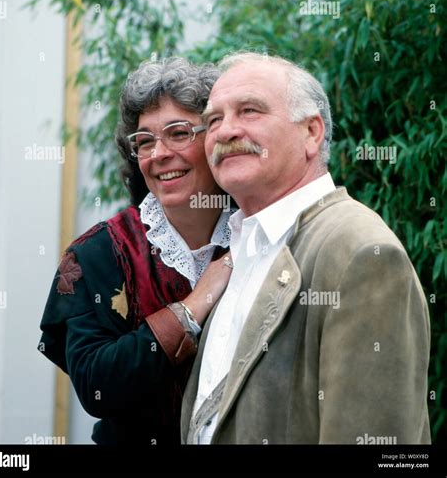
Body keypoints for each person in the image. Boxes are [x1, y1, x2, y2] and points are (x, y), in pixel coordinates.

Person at [181, 52, 431, 444]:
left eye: (249, 111)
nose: (225, 131)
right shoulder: (240, 251)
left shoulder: (361, 252)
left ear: (312, 133)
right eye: (213, 119)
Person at [38, 57, 235, 445]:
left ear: (215, 139)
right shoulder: (96, 253)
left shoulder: (262, 236)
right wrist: (194, 305)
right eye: (144, 141)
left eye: (179, 133)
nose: (158, 153)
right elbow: (97, 385)